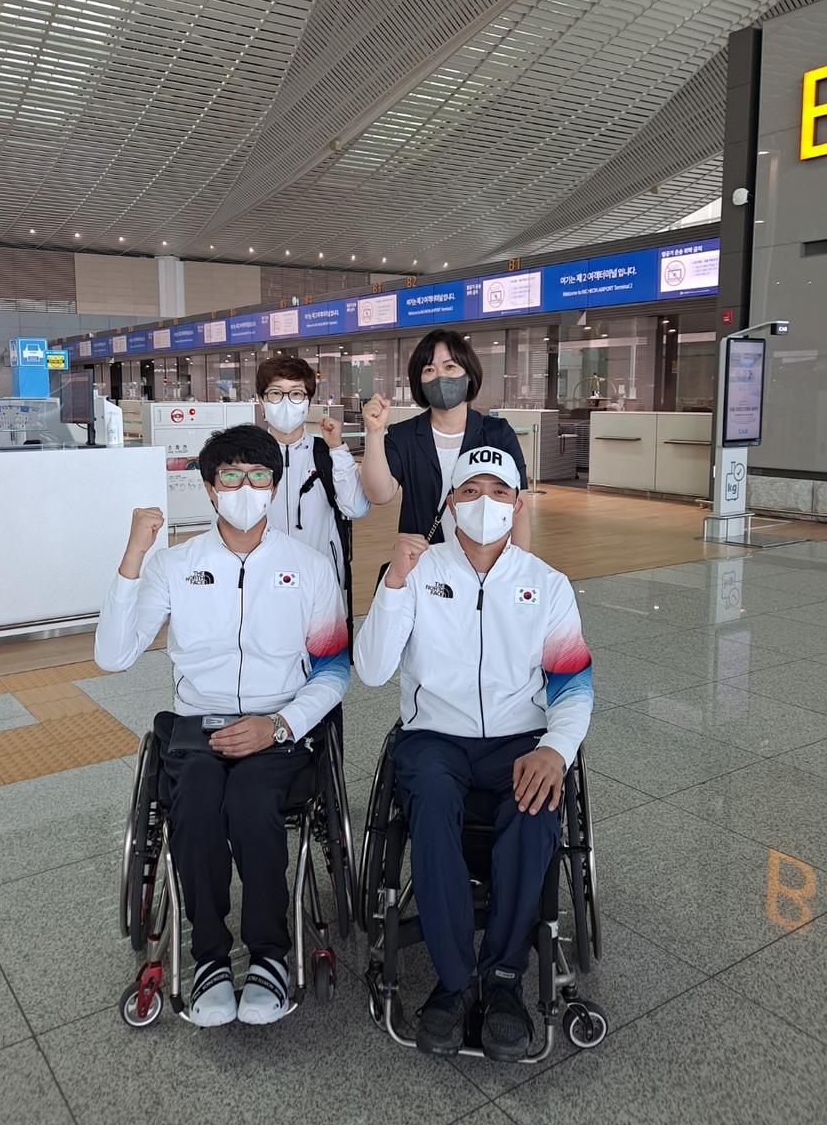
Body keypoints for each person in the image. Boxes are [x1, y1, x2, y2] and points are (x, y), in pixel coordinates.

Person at [94, 424, 349, 1029]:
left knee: (253, 803)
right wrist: (133, 555)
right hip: (195, 729)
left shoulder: (309, 568)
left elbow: (334, 673)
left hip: (278, 729)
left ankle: (267, 956)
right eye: (230, 477)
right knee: (200, 805)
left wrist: (279, 724)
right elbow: (113, 655)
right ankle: (209, 957)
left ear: (274, 487)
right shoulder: (175, 566)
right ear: (209, 490)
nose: (245, 487)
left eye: (258, 476)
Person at [354, 445, 592, 1060]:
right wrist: (394, 588)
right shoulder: (415, 570)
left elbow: (573, 684)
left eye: (498, 492)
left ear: (517, 504)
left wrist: (556, 749)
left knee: (536, 807)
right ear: (449, 504)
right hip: (435, 736)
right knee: (429, 803)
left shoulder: (547, 585)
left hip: (520, 737)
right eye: (469, 491)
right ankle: (456, 983)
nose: (483, 504)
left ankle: (507, 979)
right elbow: (374, 671)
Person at [360, 328, 531, 552]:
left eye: (450, 367)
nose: (440, 376)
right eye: (429, 369)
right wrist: (374, 432)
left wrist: (520, 567)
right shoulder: (403, 435)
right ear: (419, 381)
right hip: (423, 563)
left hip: (487, 561)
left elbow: (520, 507)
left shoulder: (498, 433)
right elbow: (379, 495)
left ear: (468, 375)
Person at [256, 356, 369, 618]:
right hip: (260, 584)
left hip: (322, 584)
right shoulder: (247, 458)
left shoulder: (326, 454)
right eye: (275, 393)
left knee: (325, 657)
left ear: (307, 404)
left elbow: (356, 508)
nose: (285, 402)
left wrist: (338, 449)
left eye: (296, 393)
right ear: (261, 402)